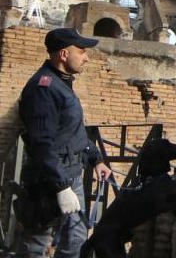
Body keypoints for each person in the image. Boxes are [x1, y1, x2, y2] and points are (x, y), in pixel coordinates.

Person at [18, 27, 112, 258]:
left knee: (76, 240)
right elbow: (41, 143)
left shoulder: (63, 85)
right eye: (81, 51)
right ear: (63, 54)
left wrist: (96, 160)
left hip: (71, 175)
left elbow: (74, 131)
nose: (86, 57)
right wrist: (61, 187)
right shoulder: (43, 88)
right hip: (49, 181)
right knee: (38, 244)